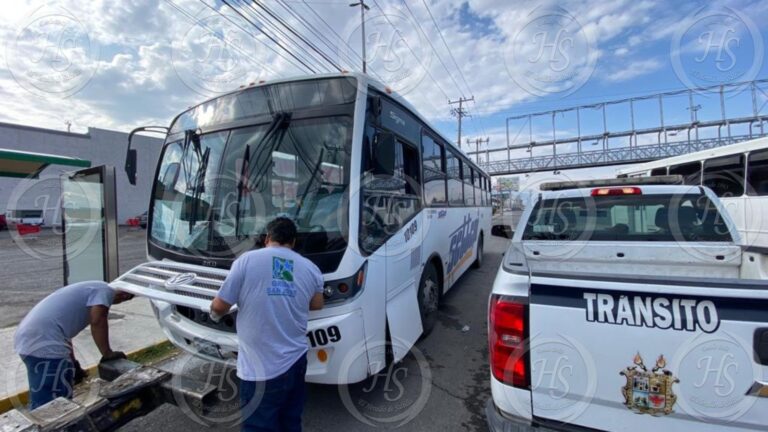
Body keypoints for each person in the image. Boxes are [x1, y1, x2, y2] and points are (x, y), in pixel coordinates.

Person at [210, 217, 324, 432]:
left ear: (267, 238)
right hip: (295, 360)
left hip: (260, 368)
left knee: (259, 425)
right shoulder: (310, 268)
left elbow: (219, 306)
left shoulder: (246, 261)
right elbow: (317, 304)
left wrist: (215, 315)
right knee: (290, 420)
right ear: (293, 241)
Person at [13, 281, 134, 409]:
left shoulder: (90, 288)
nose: (122, 300)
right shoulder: (105, 291)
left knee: (55, 393)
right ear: (124, 294)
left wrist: (73, 363)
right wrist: (108, 353)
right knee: (51, 405)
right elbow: (98, 321)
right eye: (127, 297)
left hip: (30, 338)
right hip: (45, 343)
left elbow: (65, 335)